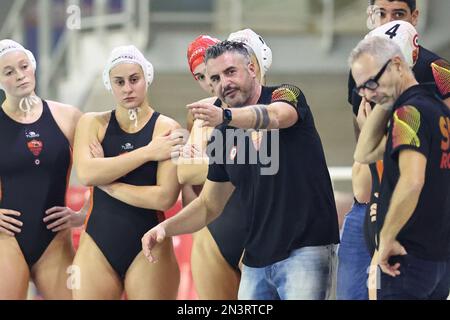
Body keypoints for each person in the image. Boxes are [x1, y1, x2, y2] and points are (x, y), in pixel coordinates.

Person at [143, 41, 339, 300]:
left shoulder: (286, 94)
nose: (224, 82)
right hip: (256, 260)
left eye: (230, 72)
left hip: (305, 249)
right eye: (215, 78)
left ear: (252, 69)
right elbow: (209, 205)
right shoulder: (223, 134)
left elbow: (277, 117)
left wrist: (225, 116)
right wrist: (165, 228)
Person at [337, 0, 450, 300]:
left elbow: (412, 180)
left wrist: (385, 240)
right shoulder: (415, 108)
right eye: (362, 87)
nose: (368, 92)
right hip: (422, 239)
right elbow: (365, 154)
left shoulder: (412, 111)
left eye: (373, 81)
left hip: (407, 238)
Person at [72, 45, 183, 299]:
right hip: (97, 243)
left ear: (147, 78)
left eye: (134, 79)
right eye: (119, 82)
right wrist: (148, 152)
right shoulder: (92, 122)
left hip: (150, 240)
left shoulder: (166, 128)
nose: (127, 88)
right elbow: (87, 174)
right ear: (109, 84)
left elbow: (164, 197)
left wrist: (107, 183)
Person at [180, 30, 273, 299]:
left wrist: (216, 159)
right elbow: (185, 171)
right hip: (216, 235)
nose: (211, 82)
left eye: (218, 73)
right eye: (203, 77)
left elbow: (270, 168)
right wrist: (237, 157)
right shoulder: (202, 114)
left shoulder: (277, 106)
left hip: (265, 233)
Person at [0, 39, 85, 299]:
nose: (20, 75)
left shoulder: (68, 117)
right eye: (9, 72)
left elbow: (102, 172)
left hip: (55, 241)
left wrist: (84, 215)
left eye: (23, 66)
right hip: (7, 239)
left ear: (33, 66)